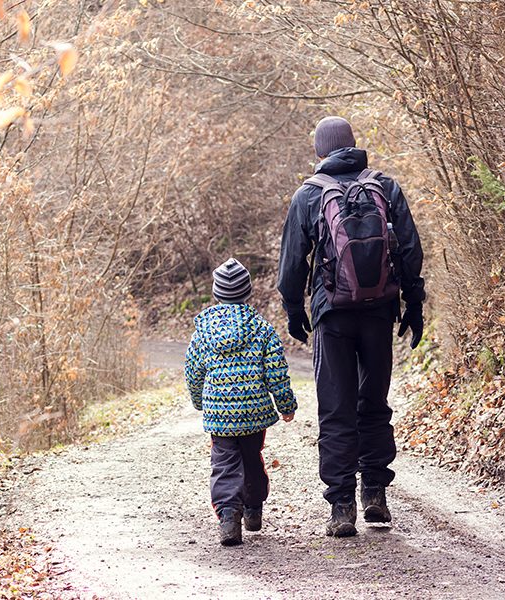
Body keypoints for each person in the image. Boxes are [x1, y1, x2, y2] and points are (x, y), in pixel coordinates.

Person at [277, 116, 425, 537]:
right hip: (379, 311)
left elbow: (291, 264)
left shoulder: (308, 195)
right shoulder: (386, 187)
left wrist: (294, 309)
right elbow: (410, 251)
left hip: (332, 316)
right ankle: (375, 493)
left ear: (319, 151)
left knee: (336, 409)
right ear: (354, 146)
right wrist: (413, 304)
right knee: (374, 404)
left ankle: (342, 507)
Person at [185, 258, 298, 546]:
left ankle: (229, 519)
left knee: (223, 463)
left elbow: (193, 371)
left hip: (219, 414)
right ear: (247, 292)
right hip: (253, 412)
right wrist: (286, 405)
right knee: (251, 458)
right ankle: (253, 508)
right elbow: (277, 372)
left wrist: (200, 401)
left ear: (216, 293)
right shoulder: (261, 328)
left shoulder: (203, 331)